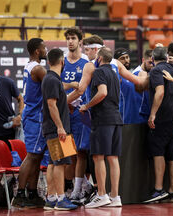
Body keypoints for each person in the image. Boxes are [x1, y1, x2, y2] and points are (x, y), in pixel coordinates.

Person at [79, 47, 123, 208]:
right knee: (113, 158)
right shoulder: (114, 73)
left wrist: (87, 106)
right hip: (116, 118)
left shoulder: (98, 72)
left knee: (98, 157)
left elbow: (102, 92)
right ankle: (115, 196)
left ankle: (102, 194)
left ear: (100, 58)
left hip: (103, 119)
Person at [12, 38, 47, 208]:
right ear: (37, 51)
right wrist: (72, 84)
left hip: (32, 114)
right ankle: (19, 194)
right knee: (32, 156)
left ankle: (32, 193)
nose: (46, 49)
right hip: (36, 116)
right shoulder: (39, 69)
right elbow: (53, 85)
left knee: (37, 156)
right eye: (44, 47)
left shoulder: (29, 65)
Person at [61, 27, 94, 204]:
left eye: (73, 38)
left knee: (82, 151)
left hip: (80, 113)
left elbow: (85, 89)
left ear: (80, 41)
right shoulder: (62, 63)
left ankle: (79, 189)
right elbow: (57, 87)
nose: (70, 41)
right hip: (65, 113)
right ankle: (80, 185)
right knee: (68, 153)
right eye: (68, 39)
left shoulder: (86, 62)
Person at [42, 48, 77, 211]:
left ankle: (51, 198)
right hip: (58, 129)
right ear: (62, 61)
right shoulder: (52, 80)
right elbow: (51, 104)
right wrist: (60, 127)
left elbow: (57, 99)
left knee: (53, 163)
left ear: (49, 62)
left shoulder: (52, 79)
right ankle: (61, 199)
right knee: (60, 164)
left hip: (55, 128)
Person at [143, 47, 173, 203]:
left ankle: (158, 189)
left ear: (152, 58)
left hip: (162, 117)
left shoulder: (156, 71)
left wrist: (153, 113)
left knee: (158, 153)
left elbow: (160, 92)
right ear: (167, 57)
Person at [115, 49, 153, 124]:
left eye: (127, 57)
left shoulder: (132, 75)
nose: (126, 60)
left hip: (141, 117)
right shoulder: (117, 76)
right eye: (122, 58)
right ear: (116, 62)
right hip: (126, 118)